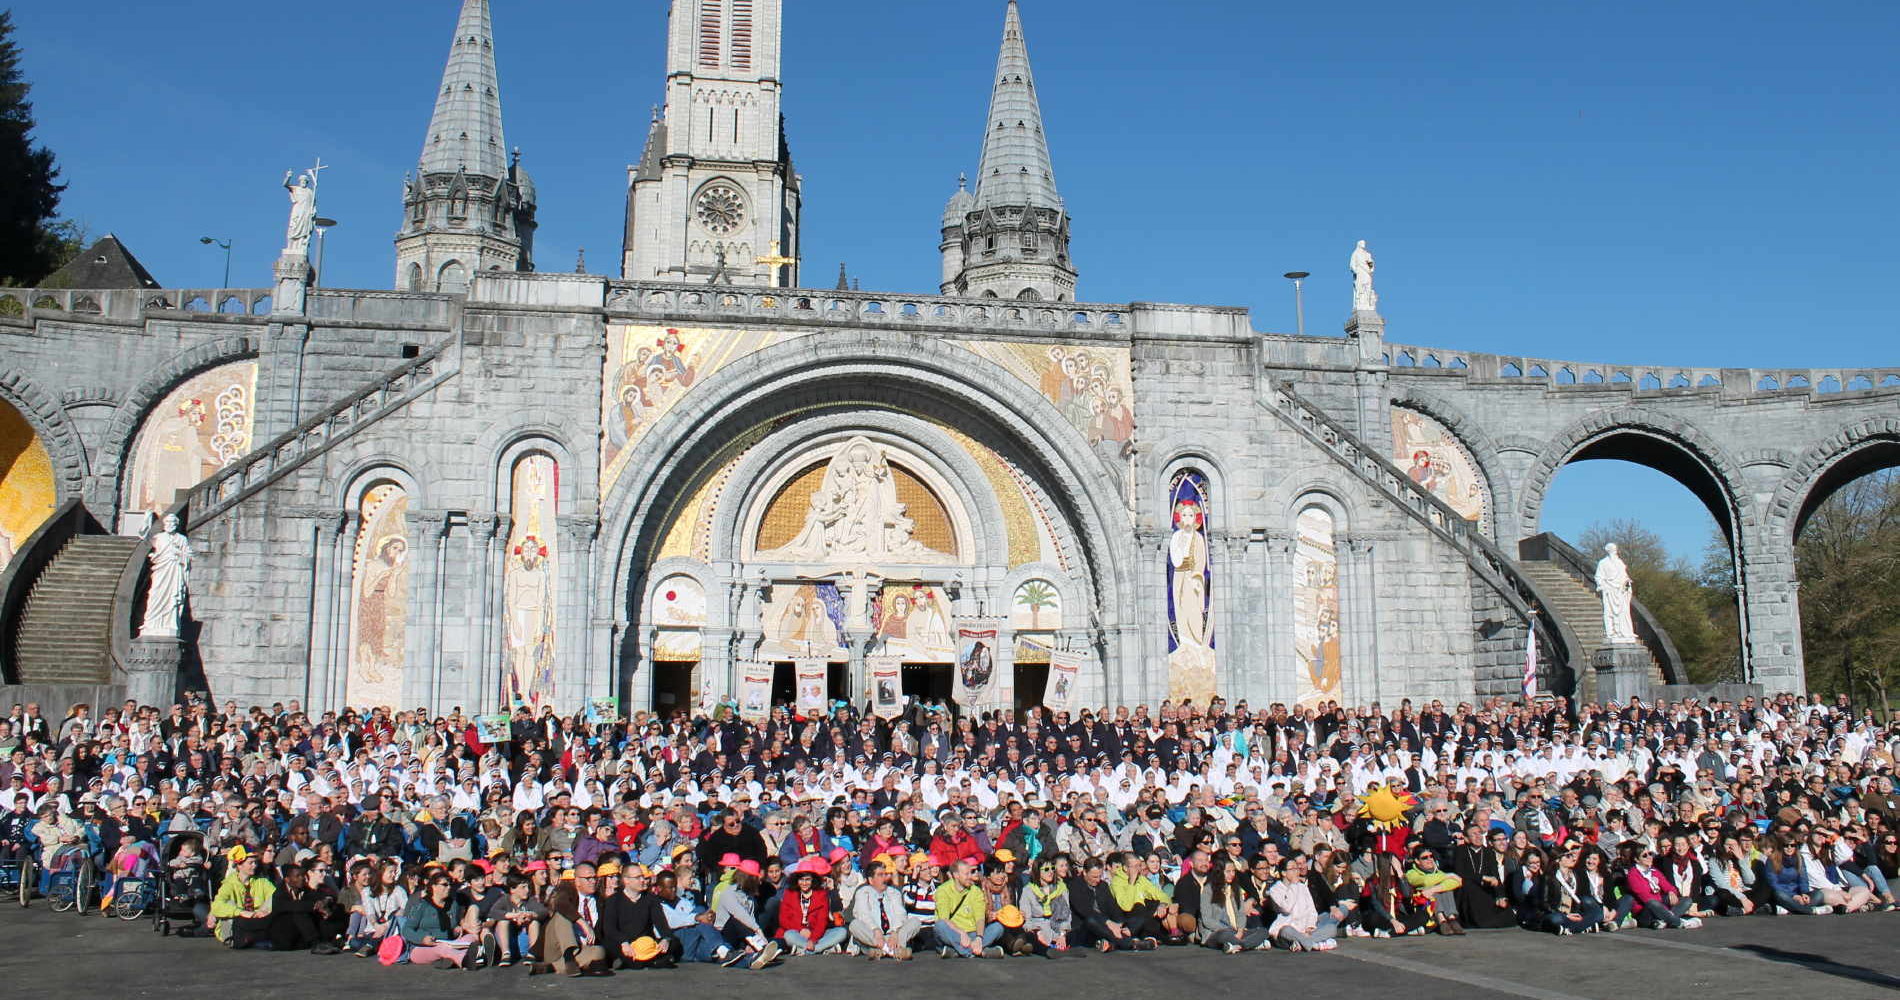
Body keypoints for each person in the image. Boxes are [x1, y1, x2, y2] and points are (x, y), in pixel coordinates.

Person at [209, 846, 276, 948]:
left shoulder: (262, 881)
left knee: (275, 898)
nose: (254, 866)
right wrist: (241, 912)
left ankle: (259, 937)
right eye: (250, 863)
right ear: (239, 865)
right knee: (228, 903)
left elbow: (277, 896)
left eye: (255, 862)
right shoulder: (229, 884)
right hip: (236, 926)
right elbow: (216, 906)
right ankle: (233, 940)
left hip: (256, 920)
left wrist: (265, 910)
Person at [851, 859, 918, 960]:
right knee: (854, 925)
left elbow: (900, 914)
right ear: (870, 879)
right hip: (873, 936)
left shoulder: (894, 893)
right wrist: (876, 930)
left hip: (894, 936)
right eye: (880, 875)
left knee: (915, 922)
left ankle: (882, 951)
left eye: (885, 874)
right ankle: (891, 951)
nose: (884, 878)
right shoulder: (863, 892)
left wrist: (894, 932)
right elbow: (862, 914)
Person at [1268, 854, 1338, 952]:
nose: (1296, 871)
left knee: (1332, 928)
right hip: (1287, 930)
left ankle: (1303, 943)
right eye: (1292, 869)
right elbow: (1286, 908)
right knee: (1286, 930)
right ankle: (1313, 944)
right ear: (1284, 873)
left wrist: (1310, 926)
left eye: (1296, 868)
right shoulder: (1275, 889)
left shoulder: (1303, 887)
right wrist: (1293, 885)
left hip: (1305, 930)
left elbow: (1312, 910)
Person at [934, 859, 1003, 957]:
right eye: (966, 874)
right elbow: (944, 919)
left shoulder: (976, 891)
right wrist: (961, 933)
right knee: (939, 926)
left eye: (970, 873)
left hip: (973, 933)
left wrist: (979, 938)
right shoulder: (943, 890)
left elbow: (980, 918)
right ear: (956, 875)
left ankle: (958, 951)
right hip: (955, 933)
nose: (970, 877)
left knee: (998, 927)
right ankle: (978, 951)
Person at [778, 862, 847, 955]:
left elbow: (822, 922)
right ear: (796, 880)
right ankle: (821, 948)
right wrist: (800, 930)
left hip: (816, 934)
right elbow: (783, 919)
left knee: (842, 932)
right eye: (801, 880)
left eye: (807, 880)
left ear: (813, 880)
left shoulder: (821, 895)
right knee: (788, 935)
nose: (804, 883)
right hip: (796, 933)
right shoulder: (789, 894)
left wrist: (813, 939)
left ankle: (807, 950)